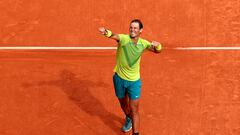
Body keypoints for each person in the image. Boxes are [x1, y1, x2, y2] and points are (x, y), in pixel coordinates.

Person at [98, 19, 162, 135]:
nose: (132, 30)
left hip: (134, 82)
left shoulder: (144, 43)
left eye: (135, 28)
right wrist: (106, 32)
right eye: (131, 27)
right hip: (119, 79)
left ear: (140, 31)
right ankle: (128, 118)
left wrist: (158, 46)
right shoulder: (124, 39)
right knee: (124, 105)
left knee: (134, 110)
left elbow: (157, 51)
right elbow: (114, 36)